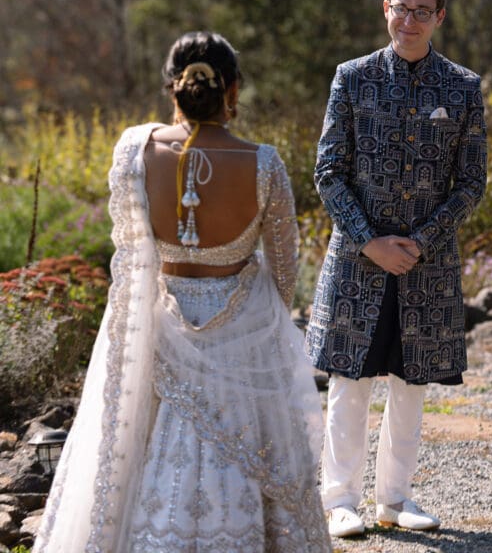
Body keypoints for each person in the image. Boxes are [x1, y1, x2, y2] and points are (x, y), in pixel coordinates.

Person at [34, 31, 331, 553]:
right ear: (232, 89)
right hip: (240, 330)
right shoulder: (264, 163)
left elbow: (129, 256)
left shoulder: (135, 150)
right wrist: (256, 329)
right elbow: (284, 269)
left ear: (172, 87)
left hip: (161, 325)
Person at [306, 0, 487, 539]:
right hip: (358, 263)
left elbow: (470, 182)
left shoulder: (463, 88)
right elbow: (329, 171)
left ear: (439, 17)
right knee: (348, 382)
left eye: (421, 10)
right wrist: (370, 242)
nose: (409, 19)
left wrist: (420, 243)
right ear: (385, 8)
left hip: (426, 266)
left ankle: (395, 499)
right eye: (400, 7)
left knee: (412, 384)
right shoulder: (351, 78)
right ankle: (339, 501)